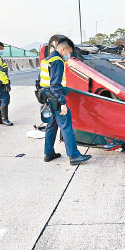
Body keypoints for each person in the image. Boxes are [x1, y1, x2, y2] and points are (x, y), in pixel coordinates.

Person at [39, 37, 92, 165]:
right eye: (69, 52)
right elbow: (55, 85)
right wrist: (63, 103)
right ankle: (74, 156)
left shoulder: (47, 60)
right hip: (55, 99)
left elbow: (41, 82)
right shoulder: (57, 61)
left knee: (51, 126)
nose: (69, 55)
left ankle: (48, 153)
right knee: (66, 127)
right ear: (64, 49)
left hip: (47, 98)